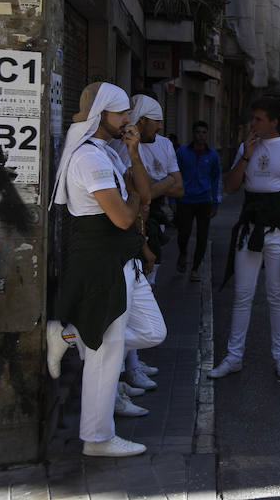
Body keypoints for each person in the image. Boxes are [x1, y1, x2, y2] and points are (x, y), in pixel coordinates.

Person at [46, 82, 166, 457]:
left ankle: (69, 336)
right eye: (121, 114)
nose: (128, 119)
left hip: (122, 260)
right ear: (102, 115)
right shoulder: (90, 159)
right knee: (106, 353)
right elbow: (123, 216)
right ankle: (97, 438)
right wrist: (133, 199)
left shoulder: (109, 152)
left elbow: (143, 196)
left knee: (152, 331)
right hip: (103, 263)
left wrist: (132, 153)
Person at [208, 98, 280, 379]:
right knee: (242, 294)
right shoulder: (247, 148)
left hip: (279, 230)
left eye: (257, 119)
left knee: (277, 295)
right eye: (252, 119)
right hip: (249, 229)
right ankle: (233, 357)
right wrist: (245, 156)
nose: (252, 124)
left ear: (273, 121)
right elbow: (231, 187)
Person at [109, 94, 183, 391]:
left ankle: (130, 364)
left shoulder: (162, 145)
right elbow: (137, 194)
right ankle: (121, 370)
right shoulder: (119, 148)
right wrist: (152, 187)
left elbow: (178, 186)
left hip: (149, 227)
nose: (161, 126)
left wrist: (149, 188)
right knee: (126, 304)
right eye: (157, 120)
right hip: (128, 231)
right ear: (142, 121)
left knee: (144, 295)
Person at [175, 120, 222, 282]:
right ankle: (183, 253)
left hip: (204, 200)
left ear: (207, 134)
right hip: (185, 199)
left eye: (204, 132)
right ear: (193, 134)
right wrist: (172, 199)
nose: (201, 136)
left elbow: (216, 179)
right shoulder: (182, 152)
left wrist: (216, 201)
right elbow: (174, 175)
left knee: (203, 236)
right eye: (198, 132)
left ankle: (195, 268)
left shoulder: (213, 155)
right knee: (184, 233)